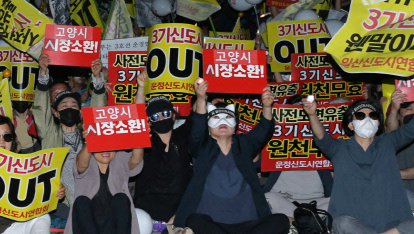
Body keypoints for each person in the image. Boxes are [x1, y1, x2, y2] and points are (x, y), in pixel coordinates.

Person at [174, 80, 290, 233]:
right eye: (216, 119)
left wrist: (267, 107)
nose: (223, 122)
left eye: (228, 118)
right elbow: (197, 129)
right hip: (213, 225)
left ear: (235, 126)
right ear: (208, 128)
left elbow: (264, 131)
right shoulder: (201, 148)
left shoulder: (244, 145)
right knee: (195, 221)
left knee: (280, 221)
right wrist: (201, 99)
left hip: (248, 223)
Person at [302, 98, 414, 233]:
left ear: (378, 123)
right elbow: (322, 138)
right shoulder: (339, 148)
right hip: (354, 225)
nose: (368, 119)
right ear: (351, 125)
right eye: (361, 116)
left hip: (391, 223)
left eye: (372, 116)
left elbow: (410, 130)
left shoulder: (388, 142)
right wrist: (312, 115)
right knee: (342, 223)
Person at [33, 54, 107, 205]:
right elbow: (41, 109)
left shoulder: (87, 133)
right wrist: (43, 73)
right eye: (64, 106)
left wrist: (97, 77)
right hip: (62, 203)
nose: (70, 109)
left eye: (74, 106)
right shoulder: (49, 134)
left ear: (80, 111)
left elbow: (98, 110)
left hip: (92, 200)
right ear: (55, 112)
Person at [133, 71, 193, 227]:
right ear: (149, 121)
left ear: (173, 116)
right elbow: (136, 117)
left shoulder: (183, 136)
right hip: (148, 208)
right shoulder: (145, 139)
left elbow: (198, 115)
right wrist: (141, 89)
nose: (160, 118)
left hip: (181, 207)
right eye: (154, 116)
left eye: (165, 113)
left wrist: (200, 93)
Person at [64, 130, 144, 234]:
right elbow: (81, 165)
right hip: (87, 227)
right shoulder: (87, 160)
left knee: (121, 198)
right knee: (81, 201)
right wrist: (89, 142)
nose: (105, 150)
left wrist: (140, 137)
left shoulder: (120, 159)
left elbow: (135, 161)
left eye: (109, 145)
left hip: (113, 227)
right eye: (100, 145)